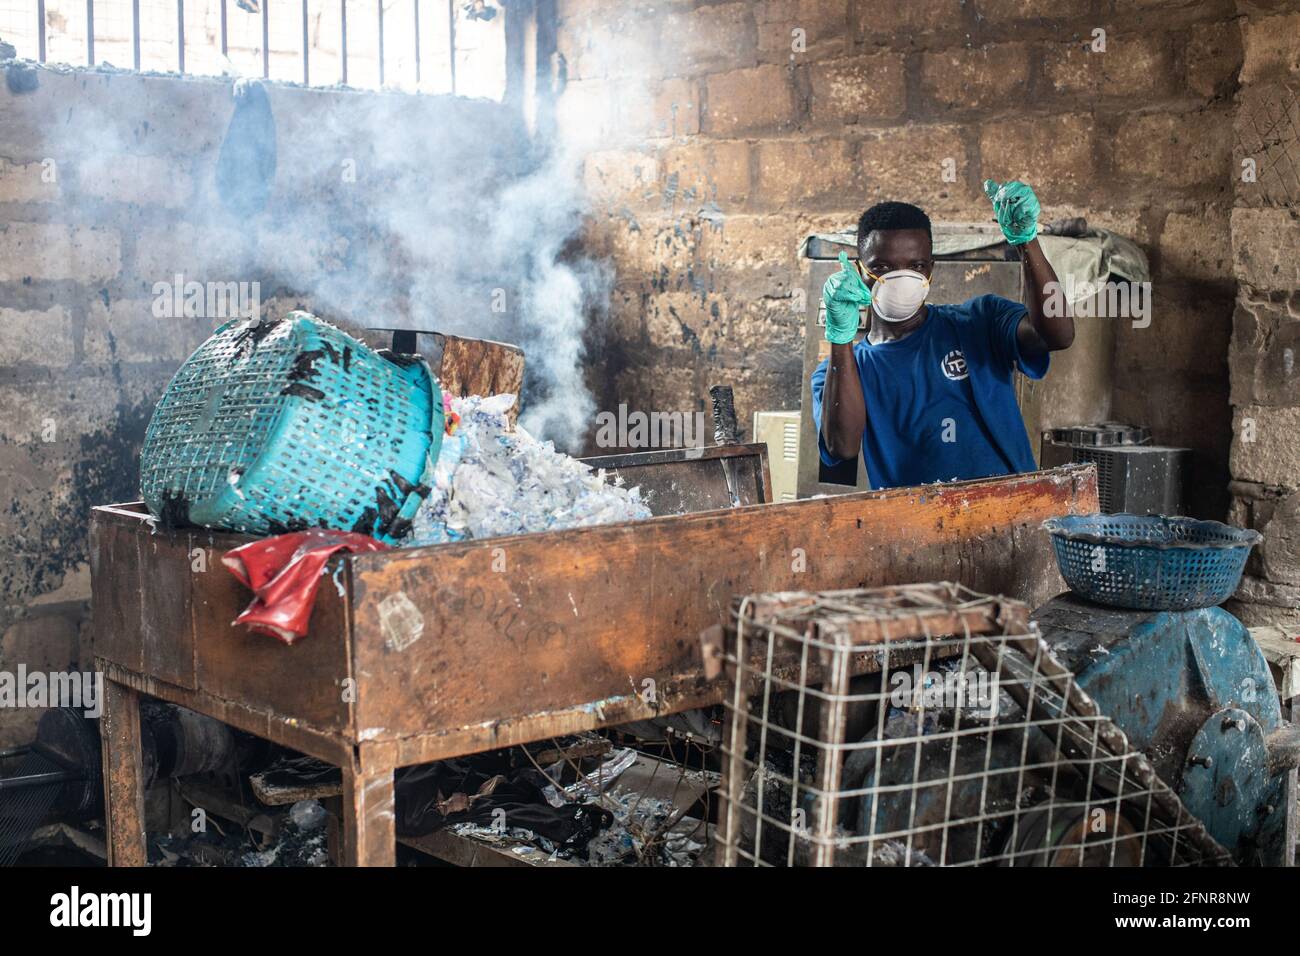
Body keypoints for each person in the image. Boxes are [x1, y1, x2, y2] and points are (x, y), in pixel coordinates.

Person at [810, 180, 1074, 490]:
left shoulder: (978, 322)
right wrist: (840, 337)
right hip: (916, 530)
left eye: (916, 265)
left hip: (1011, 515)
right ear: (860, 271)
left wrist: (1027, 242)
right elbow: (842, 447)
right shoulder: (843, 372)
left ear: (931, 269)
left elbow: (1058, 335)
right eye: (882, 266)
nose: (901, 277)